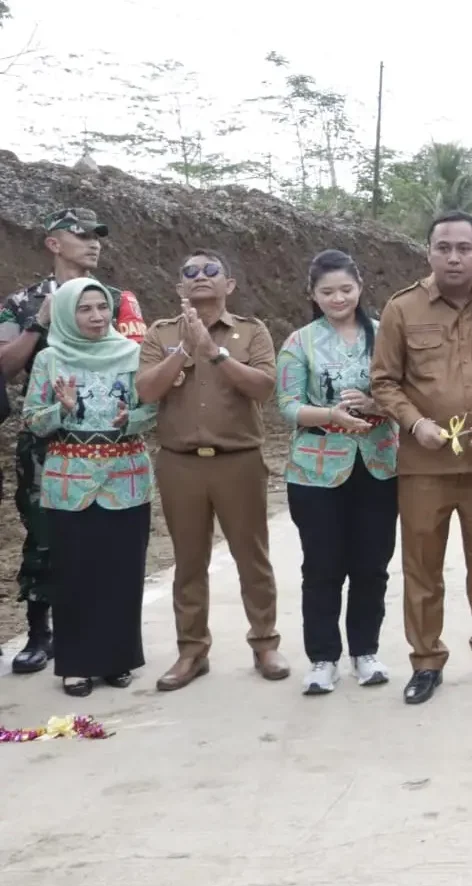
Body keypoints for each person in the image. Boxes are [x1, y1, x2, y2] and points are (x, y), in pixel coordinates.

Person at [370, 212, 472, 706]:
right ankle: (426, 661)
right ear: (429, 253)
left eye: (464, 248)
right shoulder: (402, 308)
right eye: (443, 248)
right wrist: (415, 423)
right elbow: (384, 381)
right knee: (422, 568)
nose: (454, 257)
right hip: (424, 465)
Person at [0, 208, 146, 675]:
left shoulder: (118, 300)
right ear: (53, 243)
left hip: (110, 440)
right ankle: (40, 634)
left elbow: (139, 369)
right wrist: (38, 324)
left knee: (107, 549)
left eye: (97, 235)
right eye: (81, 235)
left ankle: (107, 645)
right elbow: (5, 366)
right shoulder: (23, 302)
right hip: (45, 440)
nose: (93, 242)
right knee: (45, 538)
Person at [136, 249, 284, 691]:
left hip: (239, 461)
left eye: (211, 270)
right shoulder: (161, 333)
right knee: (188, 561)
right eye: (190, 272)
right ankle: (192, 650)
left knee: (252, 557)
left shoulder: (251, 331)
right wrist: (184, 349)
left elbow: (264, 388)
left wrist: (214, 352)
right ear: (180, 286)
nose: (200, 276)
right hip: (180, 464)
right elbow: (146, 391)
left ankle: (265, 643)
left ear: (229, 284)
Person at [19, 278, 155, 696]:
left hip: (126, 476)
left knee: (122, 571)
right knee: (75, 572)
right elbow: (32, 419)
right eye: (85, 309)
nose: (97, 316)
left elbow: (154, 408)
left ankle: (117, 658)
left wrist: (131, 419)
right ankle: (76, 663)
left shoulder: (132, 354)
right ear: (65, 314)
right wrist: (60, 410)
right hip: (70, 481)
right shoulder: (50, 359)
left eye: (102, 307)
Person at [275, 250, 400, 696]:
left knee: (372, 565)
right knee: (322, 566)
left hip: (378, 466)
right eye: (327, 292)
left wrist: (375, 405)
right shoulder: (299, 342)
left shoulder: (385, 335)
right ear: (312, 294)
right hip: (316, 472)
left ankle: (365, 652)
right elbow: (287, 406)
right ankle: (323, 658)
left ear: (360, 287)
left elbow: (408, 394)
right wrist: (330, 414)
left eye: (346, 289)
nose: (338, 298)